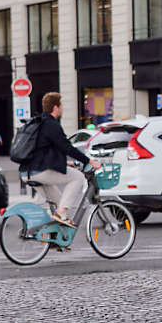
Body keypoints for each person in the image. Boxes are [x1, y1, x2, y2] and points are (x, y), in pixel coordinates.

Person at [23, 91, 101, 227]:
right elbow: (67, 147)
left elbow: (43, 151)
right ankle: (61, 213)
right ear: (55, 107)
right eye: (61, 105)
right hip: (39, 171)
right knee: (77, 178)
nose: (62, 108)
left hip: (27, 172)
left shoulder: (40, 123)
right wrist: (89, 161)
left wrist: (66, 163)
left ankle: (52, 236)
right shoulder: (51, 125)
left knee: (59, 202)